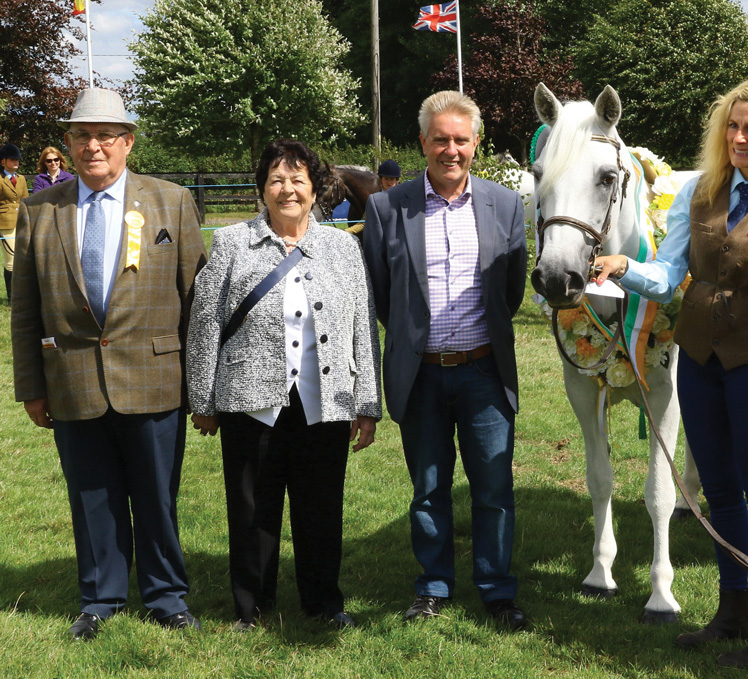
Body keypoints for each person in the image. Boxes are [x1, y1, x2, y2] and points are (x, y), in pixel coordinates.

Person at [592, 75, 748, 669]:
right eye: (733, 125)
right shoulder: (699, 191)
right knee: (716, 489)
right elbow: (670, 274)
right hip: (698, 358)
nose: (741, 137)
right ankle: (732, 611)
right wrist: (625, 268)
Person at [10, 88, 207, 639]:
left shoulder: (171, 202)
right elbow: (24, 309)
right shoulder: (39, 211)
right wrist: (31, 386)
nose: (92, 146)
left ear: (127, 143)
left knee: (157, 496)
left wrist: (203, 389)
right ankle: (101, 597)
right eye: (80, 136)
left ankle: (167, 596)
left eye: (104, 136)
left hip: (156, 377)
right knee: (91, 495)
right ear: (68, 144)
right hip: (71, 381)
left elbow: (197, 300)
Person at [187, 139, 383, 631]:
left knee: (321, 509)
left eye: (298, 180)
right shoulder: (232, 243)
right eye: (276, 179)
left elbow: (364, 327)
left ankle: (323, 602)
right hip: (249, 402)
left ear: (317, 190)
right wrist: (202, 398)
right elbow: (205, 323)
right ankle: (250, 606)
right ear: (261, 189)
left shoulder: (342, 248)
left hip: (327, 402)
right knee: (253, 509)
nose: (287, 189)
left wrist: (368, 403)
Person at [362, 91, 530, 630]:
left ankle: (496, 589)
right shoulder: (387, 208)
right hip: (422, 373)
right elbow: (381, 295)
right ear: (423, 142)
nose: (450, 150)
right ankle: (433, 587)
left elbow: (512, 289)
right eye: (440, 139)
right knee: (428, 487)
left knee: (494, 488)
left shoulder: (504, 206)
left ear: (476, 143)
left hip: (484, 370)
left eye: (461, 140)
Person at [1, 142, 29, 303]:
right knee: (11, 261)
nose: (16, 162)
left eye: (17, 159)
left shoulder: (22, 179)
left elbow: (25, 200)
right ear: (3, 161)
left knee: (23, 259)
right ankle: (12, 298)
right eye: (12, 160)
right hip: (4, 224)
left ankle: (21, 295)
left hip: (21, 222)